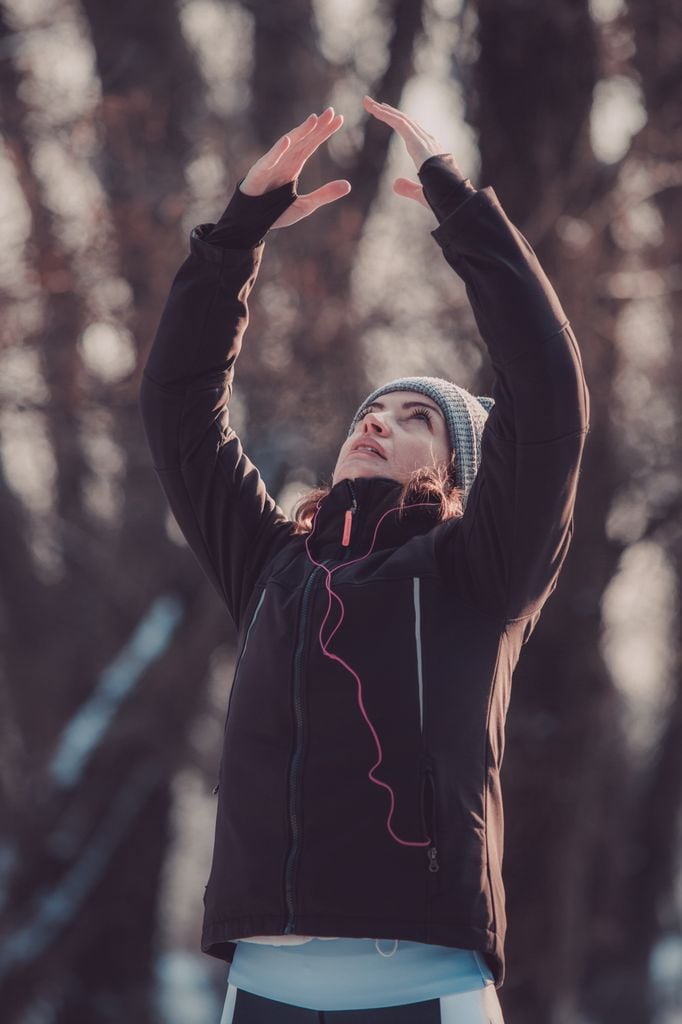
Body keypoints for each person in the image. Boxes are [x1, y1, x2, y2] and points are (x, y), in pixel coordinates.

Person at [139, 97, 589, 1023]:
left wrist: (464, 212)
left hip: (427, 990)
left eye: (416, 418)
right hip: (261, 990)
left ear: (462, 471)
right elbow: (178, 409)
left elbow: (548, 395)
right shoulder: (274, 569)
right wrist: (236, 236)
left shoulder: (481, 571)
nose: (377, 422)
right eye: (369, 413)